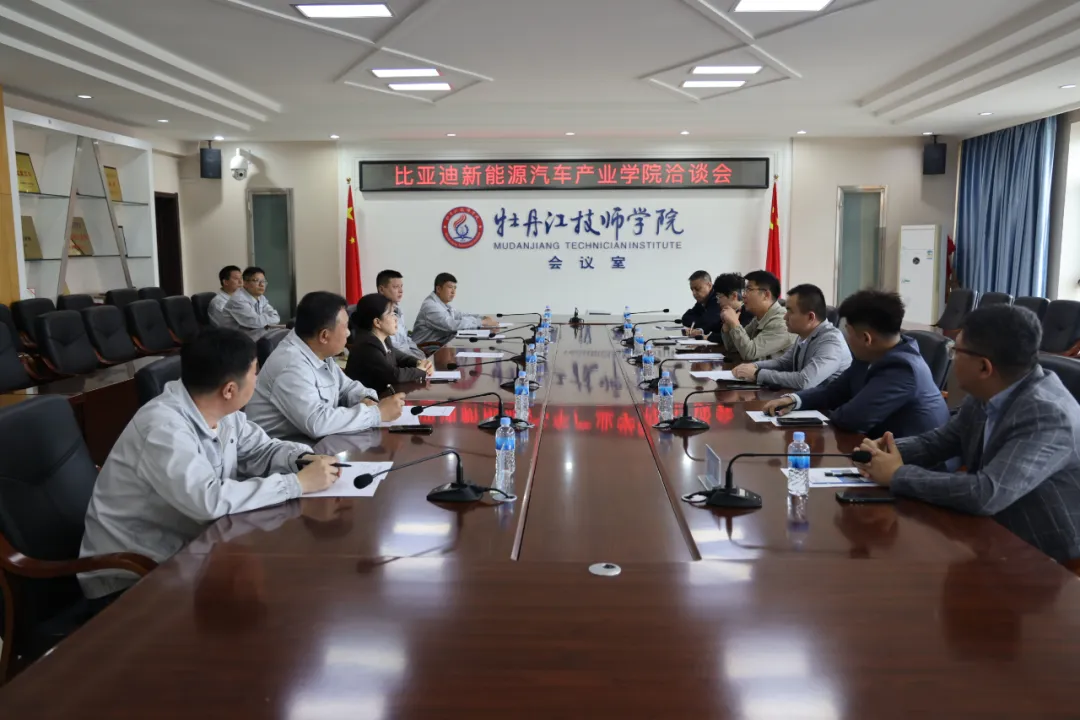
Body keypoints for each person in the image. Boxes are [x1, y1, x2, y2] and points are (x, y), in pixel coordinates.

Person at [78, 328, 343, 602]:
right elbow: (207, 501)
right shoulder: (163, 428)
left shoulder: (220, 411)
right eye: (255, 373)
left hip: (190, 549)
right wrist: (297, 484)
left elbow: (261, 449)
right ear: (229, 389)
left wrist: (300, 459)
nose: (258, 379)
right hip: (130, 574)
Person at [856, 305, 1080, 565]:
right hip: (992, 530)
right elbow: (938, 442)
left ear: (984, 367)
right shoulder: (989, 391)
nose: (952, 358)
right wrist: (883, 451)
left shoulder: (1047, 414)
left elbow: (987, 493)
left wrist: (897, 474)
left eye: (955, 351)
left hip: (1045, 554)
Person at [762, 289, 949, 438]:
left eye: (848, 332)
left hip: (917, 462)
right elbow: (834, 391)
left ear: (866, 338)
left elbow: (853, 418)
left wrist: (826, 414)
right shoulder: (869, 355)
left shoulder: (902, 368)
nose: (846, 339)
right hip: (877, 447)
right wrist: (794, 399)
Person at [246, 291, 405, 441]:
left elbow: (347, 388)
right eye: (345, 327)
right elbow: (317, 423)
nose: (349, 333)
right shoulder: (291, 365)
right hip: (289, 452)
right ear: (324, 336)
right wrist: (376, 414)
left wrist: (367, 399)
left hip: (319, 443)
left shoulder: (318, 352)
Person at [732, 283, 850, 389]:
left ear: (810, 317)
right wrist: (754, 366)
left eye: (790, 311)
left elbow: (804, 381)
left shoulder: (831, 342)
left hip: (828, 406)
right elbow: (783, 363)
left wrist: (757, 374)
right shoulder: (804, 335)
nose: (785, 317)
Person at [345, 292, 435, 389]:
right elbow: (394, 375)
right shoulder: (367, 346)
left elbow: (399, 357)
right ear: (377, 322)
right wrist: (421, 371)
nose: (396, 319)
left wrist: (418, 363)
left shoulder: (383, 339)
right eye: (391, 314)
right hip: (368, 397)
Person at [715, 269, 794, 361]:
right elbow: (733, 348)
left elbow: (750, 353)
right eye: (745, 290)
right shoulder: (759, 318)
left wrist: (735, 324)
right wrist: (727, 326)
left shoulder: (781, 322)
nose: (743, 295)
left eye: (749, 289)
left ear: (766, 295)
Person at [410, 272, 497, 351]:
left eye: (455, 288)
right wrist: (482, 322)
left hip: (440, 346)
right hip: (425, 350)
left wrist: (482, 317)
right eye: (450, 287)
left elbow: (460, 315)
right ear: (439, 289)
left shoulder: (442, 304)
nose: (453, 292)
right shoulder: (430, 306)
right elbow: (451, 325)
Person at [368, 269, 425, 360]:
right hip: (396, 360)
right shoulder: (378, 313)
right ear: (381, 289)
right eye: (395, 287)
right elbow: (392, 347)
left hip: (409, 356)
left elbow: (406, 339)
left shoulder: (398, 308)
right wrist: (415, 360)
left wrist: (420, 356)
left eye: (401, 286)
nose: (401, 291)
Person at [222, 266, 282, 341]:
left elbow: (276, 317)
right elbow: (255, 322)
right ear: (245, 283)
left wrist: (262, 319)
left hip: (253, 336)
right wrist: (265, 318)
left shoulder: (261, 297)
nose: (262, 285)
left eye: (263, 281)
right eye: (256, 280)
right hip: (235, 341)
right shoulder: (238, 300)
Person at [680, 271, 722, 337]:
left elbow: (709, 322)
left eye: (697, 289)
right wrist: (702, 320)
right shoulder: (703, 299)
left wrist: (702, 321)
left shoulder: (719, 298)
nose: (694, 293)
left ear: (709, 285)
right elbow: (685, 318)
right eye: (692, 289)